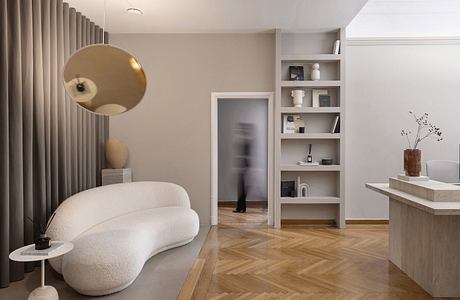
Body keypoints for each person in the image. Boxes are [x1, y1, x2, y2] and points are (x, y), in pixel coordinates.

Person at [233, 123, 253, 213]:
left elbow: (247, 156)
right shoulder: (246, 141)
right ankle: (241, 208)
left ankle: (241, 208)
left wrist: (244, 168)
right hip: (244, 167)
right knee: (242, 188)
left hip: (245, 168)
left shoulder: (247, 142)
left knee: (242, 188)